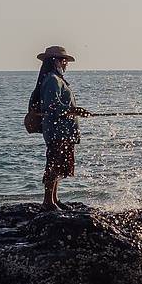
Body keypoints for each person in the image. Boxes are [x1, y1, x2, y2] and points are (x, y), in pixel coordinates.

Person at [29, 45, 90, 209]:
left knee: (58, 164)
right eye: (64, 61)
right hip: (58, 132)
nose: (66, 64)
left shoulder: (55, 79)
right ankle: (48, 201)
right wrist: (74, 110)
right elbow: (52, 106)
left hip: (62, 131)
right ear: (55, 61)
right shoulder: (52, 80)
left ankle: (54, 199)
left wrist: (74, 111)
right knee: (54, 165)